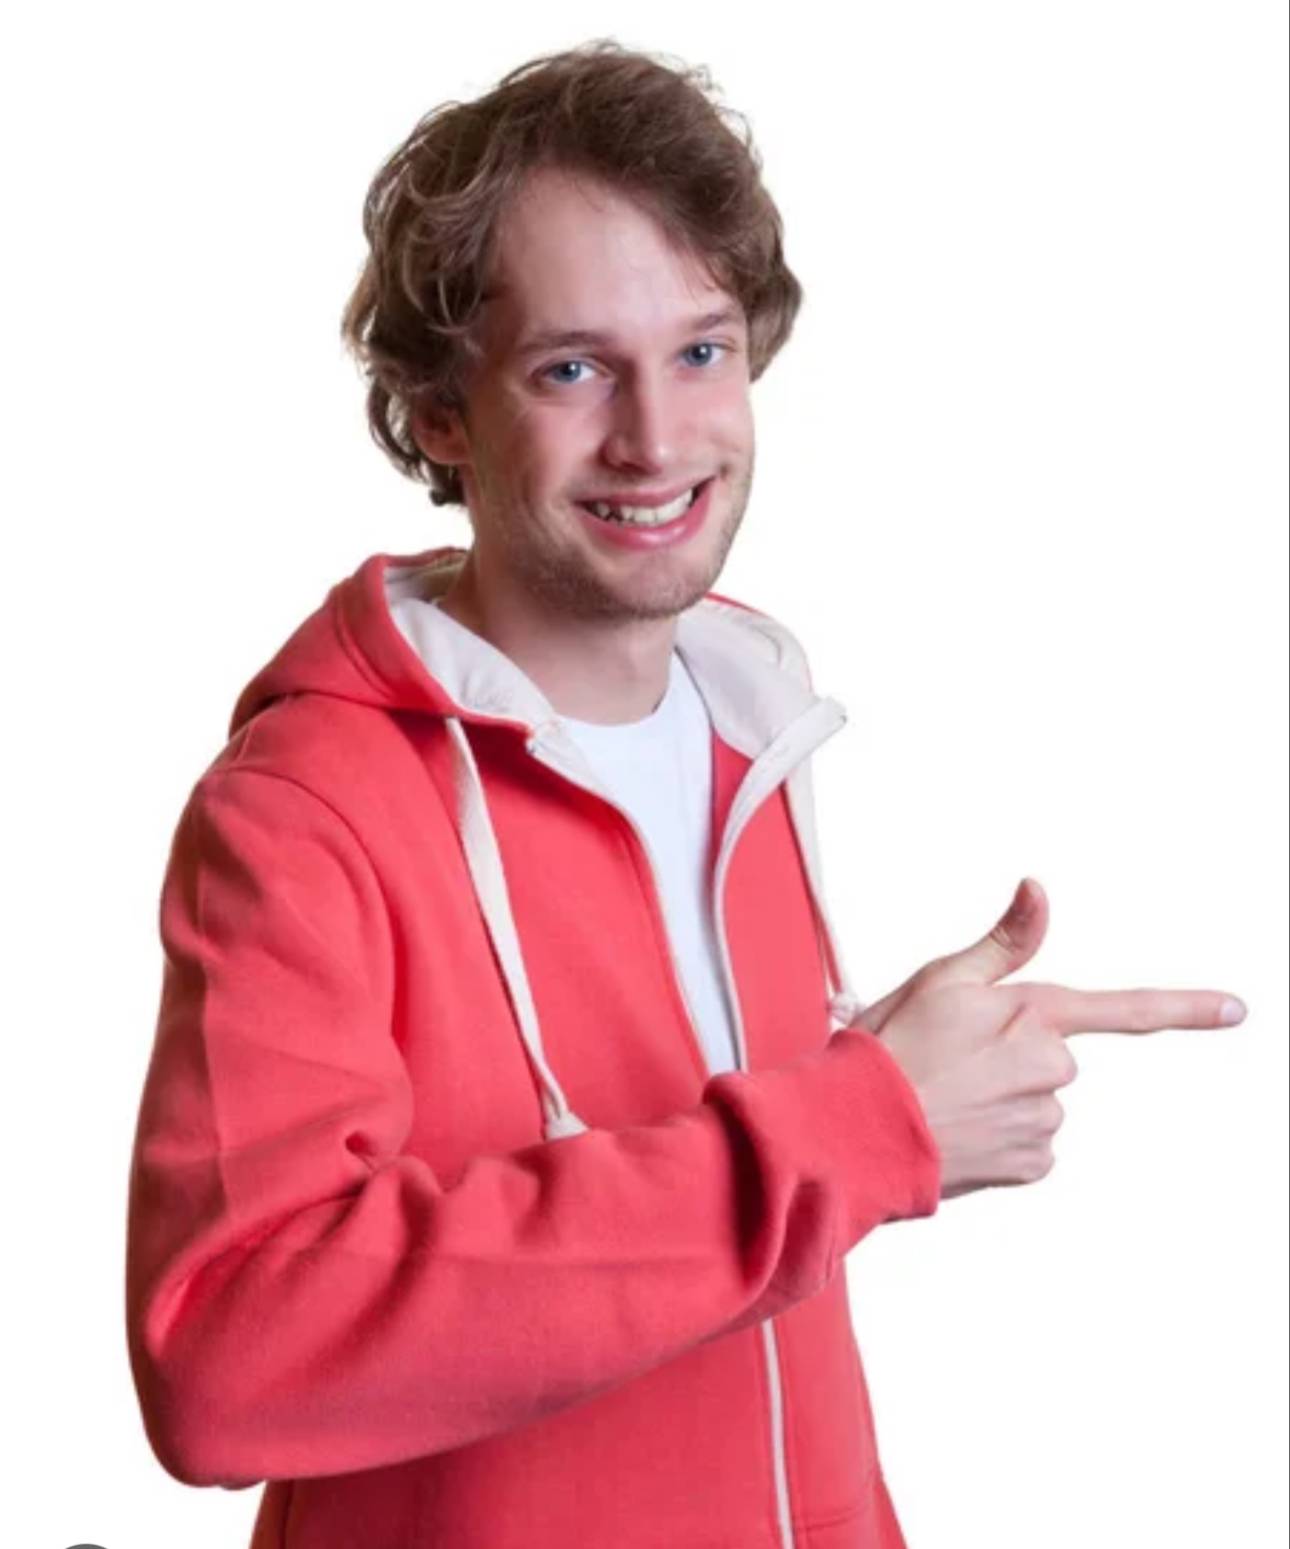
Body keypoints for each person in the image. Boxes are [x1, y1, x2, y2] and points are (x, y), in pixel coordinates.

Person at [124, 39, 1247, 1549]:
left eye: (702, 352)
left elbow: (756, 1295)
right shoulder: (301, 809)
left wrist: (887, 1091)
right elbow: (225, 1356)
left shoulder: (746, 723)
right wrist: (849, 1126)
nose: (656, 439)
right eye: (571, 368)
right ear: (441, 411)